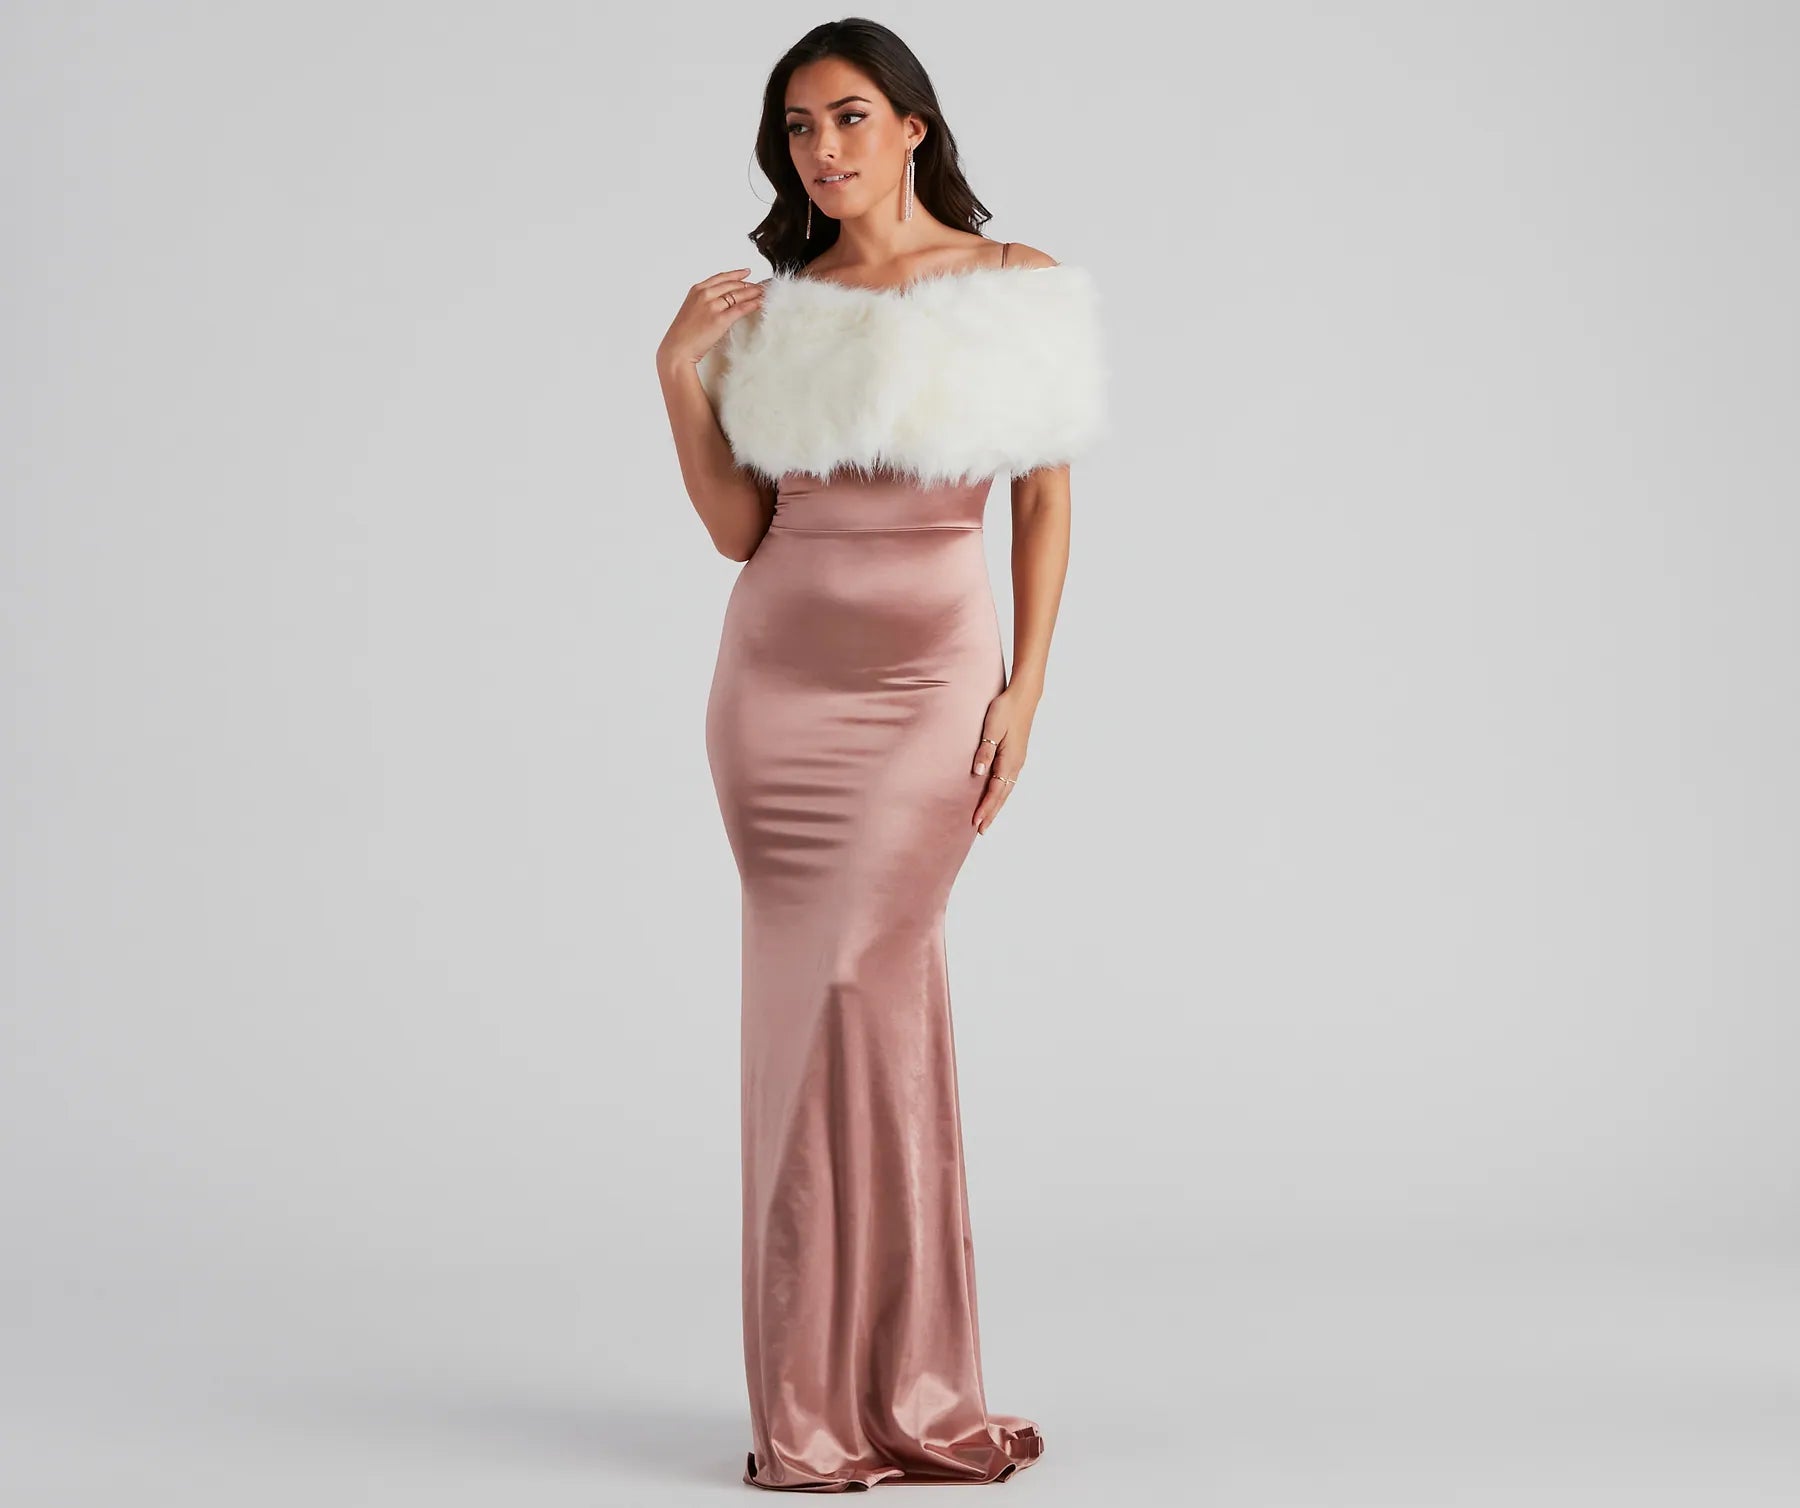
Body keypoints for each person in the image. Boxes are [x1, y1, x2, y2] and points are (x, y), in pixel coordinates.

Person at [654, 17, 1105, 1494]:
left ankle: (897, 1383)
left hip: (929, 689)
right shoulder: (777, 312)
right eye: (798, 128)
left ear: (914, 126)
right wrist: (676, 375)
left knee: (864, 981)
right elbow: (741, 531)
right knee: (817, 1011)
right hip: (773, 692)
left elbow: (1043, 500)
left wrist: (1027, 688)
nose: (823, 149)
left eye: (850, 117)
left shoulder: (1013, 283)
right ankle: (821, 1400)